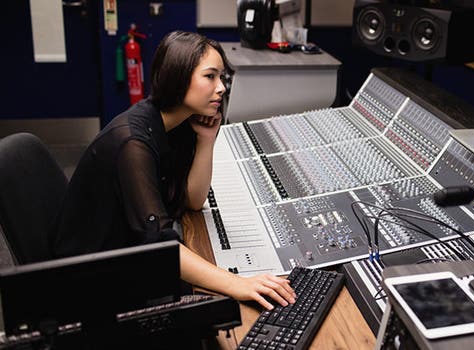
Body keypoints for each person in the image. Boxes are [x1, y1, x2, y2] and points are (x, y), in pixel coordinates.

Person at [53, 31, 295, 310]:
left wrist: (206, 141)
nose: (222, 88)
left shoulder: (177, 124)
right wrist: (237, 283)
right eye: (210, 76)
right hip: (92, 280)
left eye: (222, 78)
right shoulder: (133, 142)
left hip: (126, 254)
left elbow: (192, 200)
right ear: (178, 77)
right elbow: (160, 246)